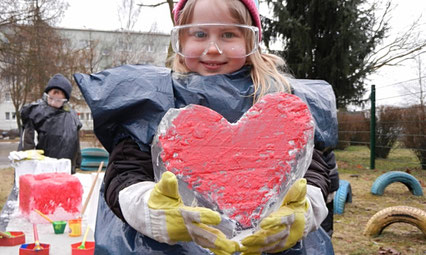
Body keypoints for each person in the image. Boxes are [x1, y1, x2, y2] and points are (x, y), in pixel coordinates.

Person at [75, 0, 337, 254]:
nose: (212, 48)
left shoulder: (281, 100)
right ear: (180, 41)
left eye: (228, 34)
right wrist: (155, 212)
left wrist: (302, 210)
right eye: (199, 34)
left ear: (251, 41)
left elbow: (314, 168)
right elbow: (125, 172)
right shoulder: (154, 98)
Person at [19, 73, 82, 174]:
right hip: (42, 170)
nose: (53, 103)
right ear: (46, 95)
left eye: (58, 100)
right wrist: (29, 167)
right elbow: (27, 145)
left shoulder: (72, 117)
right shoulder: (35, 113)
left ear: (65, 100)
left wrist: (77, 162)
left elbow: (75, 142)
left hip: (65, 169)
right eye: (51, 98)